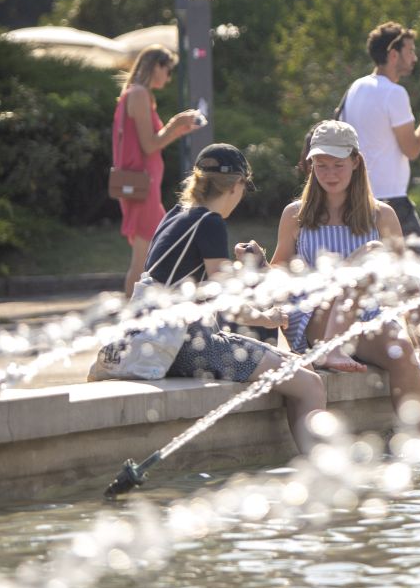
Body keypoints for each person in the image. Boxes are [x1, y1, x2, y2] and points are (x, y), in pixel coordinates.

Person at [139, 143, 327, 455]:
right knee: (311, 385)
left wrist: (241, 269)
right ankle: (321, 475)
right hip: (191, 348)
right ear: (237, 185)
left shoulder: (174, 216)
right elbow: (227, 304)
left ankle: (306, 463)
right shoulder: (210, 221)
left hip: (161, 342)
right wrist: (270, 318)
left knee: (294, 366)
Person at [271, 120, 420, 433]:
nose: (330, 174)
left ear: (355, 162)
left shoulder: (382, 215)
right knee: (375, 252)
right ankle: (331, 349)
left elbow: (408, 285)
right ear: (310, 166)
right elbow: (277, 272)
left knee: (401, 350)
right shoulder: (295, 214)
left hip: (367, 319)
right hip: (318, 317)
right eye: (320, 166)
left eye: (338, 165)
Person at [339, 22, 420, 239]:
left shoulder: (355, 87)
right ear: (393, 55)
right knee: (416, 267)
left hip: (355, 199)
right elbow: (412, 149)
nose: (415, 58)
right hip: (391, 202)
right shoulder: (394, 93)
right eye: (410, 51)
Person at [113, 44, 204, 297]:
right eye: (168, 70)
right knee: (142, 258)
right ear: (156, 66)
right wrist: (175, 123)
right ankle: (132, 319)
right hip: (142, 188)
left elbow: (151, 144)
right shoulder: (139, 94)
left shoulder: (136, 94)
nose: (169, 76)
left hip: (142, 187)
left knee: (153, 251)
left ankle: (145, 310)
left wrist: (177, 130)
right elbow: (149, 144)